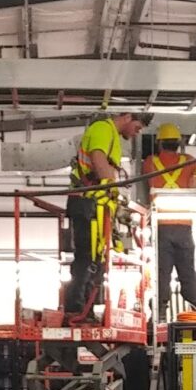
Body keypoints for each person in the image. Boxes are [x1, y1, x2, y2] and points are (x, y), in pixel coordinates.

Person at [64, 105, 143, 323]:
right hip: (87, 202)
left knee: (96, 258)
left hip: (95, 203)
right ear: (127, 116)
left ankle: (85, 310)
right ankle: (76, 309)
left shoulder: (110, 134)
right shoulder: (102, 129)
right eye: (137, 127)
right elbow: (98, 160)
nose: (137, 133)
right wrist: (112, 189)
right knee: (87, 256)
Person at [146, 123, 196, 320]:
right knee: (187, 270)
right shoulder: (189, 161)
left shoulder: (150, 162)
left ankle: (159, 313)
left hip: (161, 225)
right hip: (184, 226)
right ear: (179, 143)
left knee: (162, 272)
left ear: (159, 143)